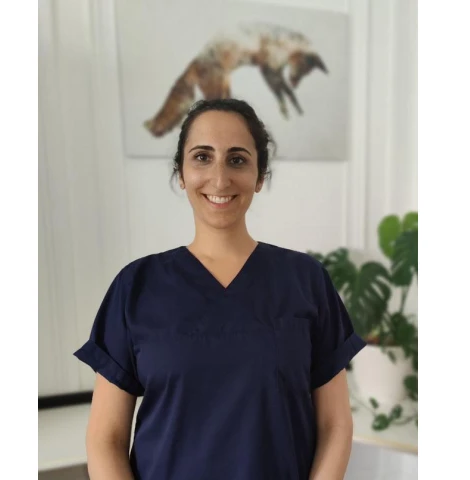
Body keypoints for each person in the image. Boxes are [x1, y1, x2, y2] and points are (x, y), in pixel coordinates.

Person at [74, 98, 366, 480]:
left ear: (259, 176)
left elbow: (336, 425)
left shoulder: (306, 281)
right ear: (181, 173)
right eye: (202, 157)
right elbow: (105, 439)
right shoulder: (135, 287)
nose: (220, 178)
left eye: (237, 160)